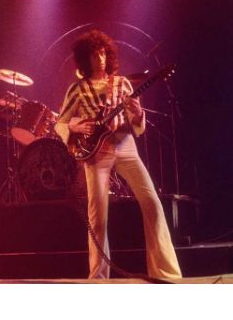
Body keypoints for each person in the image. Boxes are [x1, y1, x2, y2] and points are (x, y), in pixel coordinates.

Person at [54, 30, 181, 280]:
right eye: (93, 54)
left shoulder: (122, 84)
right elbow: (60, 122)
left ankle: (165, 271)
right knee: (97, 215)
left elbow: (138, 126)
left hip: (125, 145)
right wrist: (75, 127)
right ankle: (98, 277)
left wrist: (137, 112)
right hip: (96, 152)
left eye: (102, 52)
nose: (99, 58)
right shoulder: (77, 89)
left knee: (152, 201)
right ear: (84, 59)